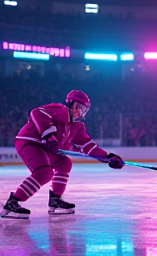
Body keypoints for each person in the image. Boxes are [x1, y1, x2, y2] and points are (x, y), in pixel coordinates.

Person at [0, 90, 124, 219]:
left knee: (65, 163)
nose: (79, 112)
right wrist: (49, 135)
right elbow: (37, 113)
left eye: (83, 110)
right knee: (45, 173)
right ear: (70, 103)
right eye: (78, 107)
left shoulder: (77, 127)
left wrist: (108, 157)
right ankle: (13, 202)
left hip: (46, 148)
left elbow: (88, 147)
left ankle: (55, 200)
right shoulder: (60, 110)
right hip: (30, 142)